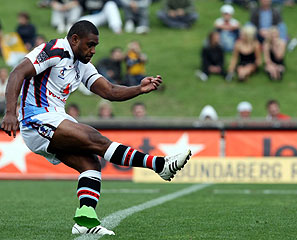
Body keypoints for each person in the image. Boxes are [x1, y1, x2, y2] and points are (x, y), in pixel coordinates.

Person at [0, 20, 191, 236]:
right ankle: (159, 165)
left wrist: (139, 88)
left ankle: (85, 220)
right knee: (95, 138)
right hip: (36, 119)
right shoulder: (53, 50)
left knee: (91, 163)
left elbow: (109, 91)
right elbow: (17, 73)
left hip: (55, 119)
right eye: (89, 45)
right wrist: (9, 112)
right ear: (74, 39)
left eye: (95, 46)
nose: (92, 50)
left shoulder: (82, 65)